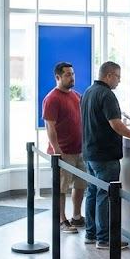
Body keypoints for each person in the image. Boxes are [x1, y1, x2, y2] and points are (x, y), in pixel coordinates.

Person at [82, 61, 130, 250]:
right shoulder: (107, 95)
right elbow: (115, 124)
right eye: (117, 76)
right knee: (105, 195)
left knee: (92, 192)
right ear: (108, 75)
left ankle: (91, 233)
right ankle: (105, 238)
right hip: (105, 154)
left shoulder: (88, 92)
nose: (119, 81)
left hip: (90, 151)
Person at [42, 62, 87, 233]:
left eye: (73, 74)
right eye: (67, 74)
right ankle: (61, 220)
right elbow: (50, 126)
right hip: (63, 152)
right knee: (61, 188)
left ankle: (76, 216)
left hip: (80, 150)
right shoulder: (52, 98)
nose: (72, 77)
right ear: (58, 77)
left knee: (80, 185)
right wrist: (57, 150)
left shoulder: (76, 96)